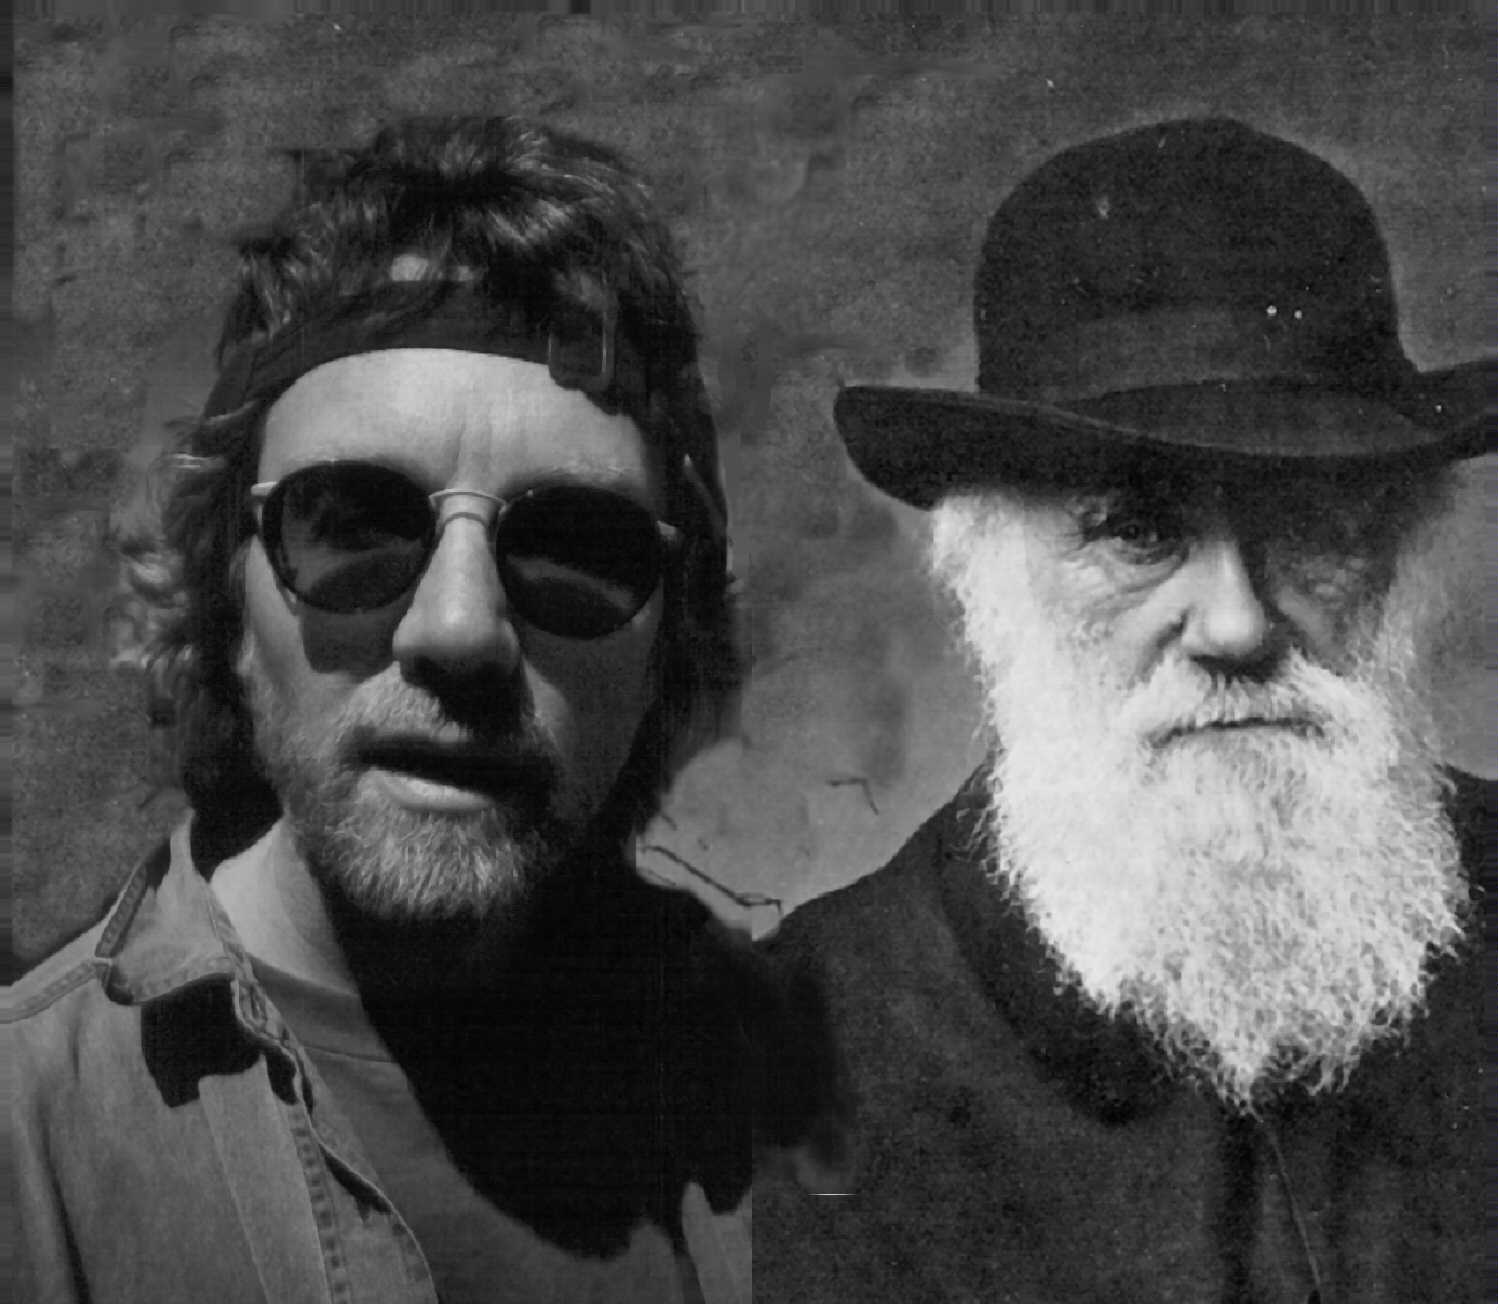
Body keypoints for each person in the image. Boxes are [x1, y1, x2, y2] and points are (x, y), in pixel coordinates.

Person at [10, 115, 823, 1302]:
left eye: (575, 547)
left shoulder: (800, 1074)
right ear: (222, 603)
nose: (458, 629)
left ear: (668, 642)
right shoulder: (26, 1149)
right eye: (352, 524)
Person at [753, 117, 1493, 1301]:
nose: (1234, 626)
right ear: (992, 573)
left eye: (1309, 525)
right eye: (1139, 532)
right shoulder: (821, 1030)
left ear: (1401, 556)